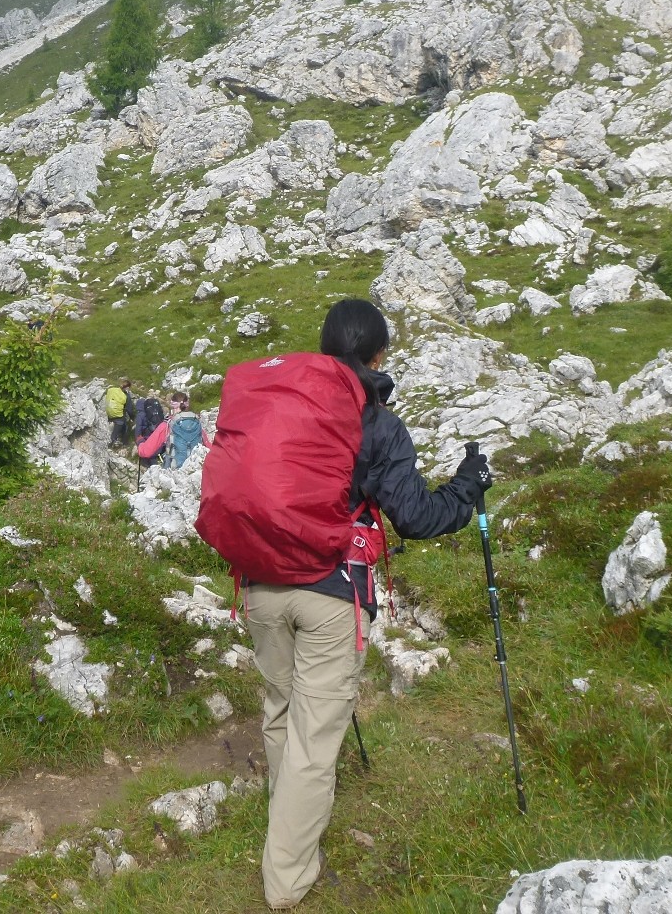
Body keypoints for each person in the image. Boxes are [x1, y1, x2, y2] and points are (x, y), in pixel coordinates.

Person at [245, 299, 491, 910]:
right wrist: (469, 485)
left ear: (326, 349)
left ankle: (285, 832)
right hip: (331, 594)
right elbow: (415, 516)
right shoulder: (375, 419)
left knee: (281, 709)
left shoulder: (282, 402)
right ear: (379, 355)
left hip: (259, 585)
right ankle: (287, 880)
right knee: (313, 740)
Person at [165, 392, 208, 468]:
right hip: (196, 465)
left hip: (177, 467)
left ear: (174, 407)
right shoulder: (196, 419)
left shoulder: (168, 423)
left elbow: (147, 451)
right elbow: (206, 442)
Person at [103, 378, 134, 448]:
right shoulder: (126, 396)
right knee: (124, 424)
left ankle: (116, 438)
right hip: (117, 416)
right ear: (127, 388)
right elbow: (129, 410)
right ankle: (121, 442)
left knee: (120, 417)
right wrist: (132, 418)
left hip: (109, 413)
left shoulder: (111, 390)